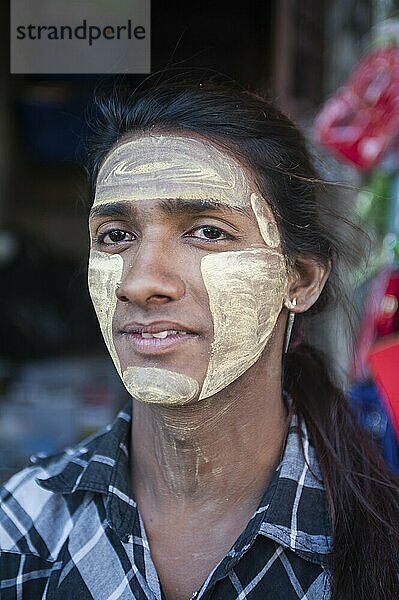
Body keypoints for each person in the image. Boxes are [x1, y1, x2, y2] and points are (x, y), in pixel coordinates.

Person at [1, 79, 399, 600]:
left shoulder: (376, 539)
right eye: (116, 235)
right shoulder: (19, 527)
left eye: (208, 231)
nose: (140, 281)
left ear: (298, 279)